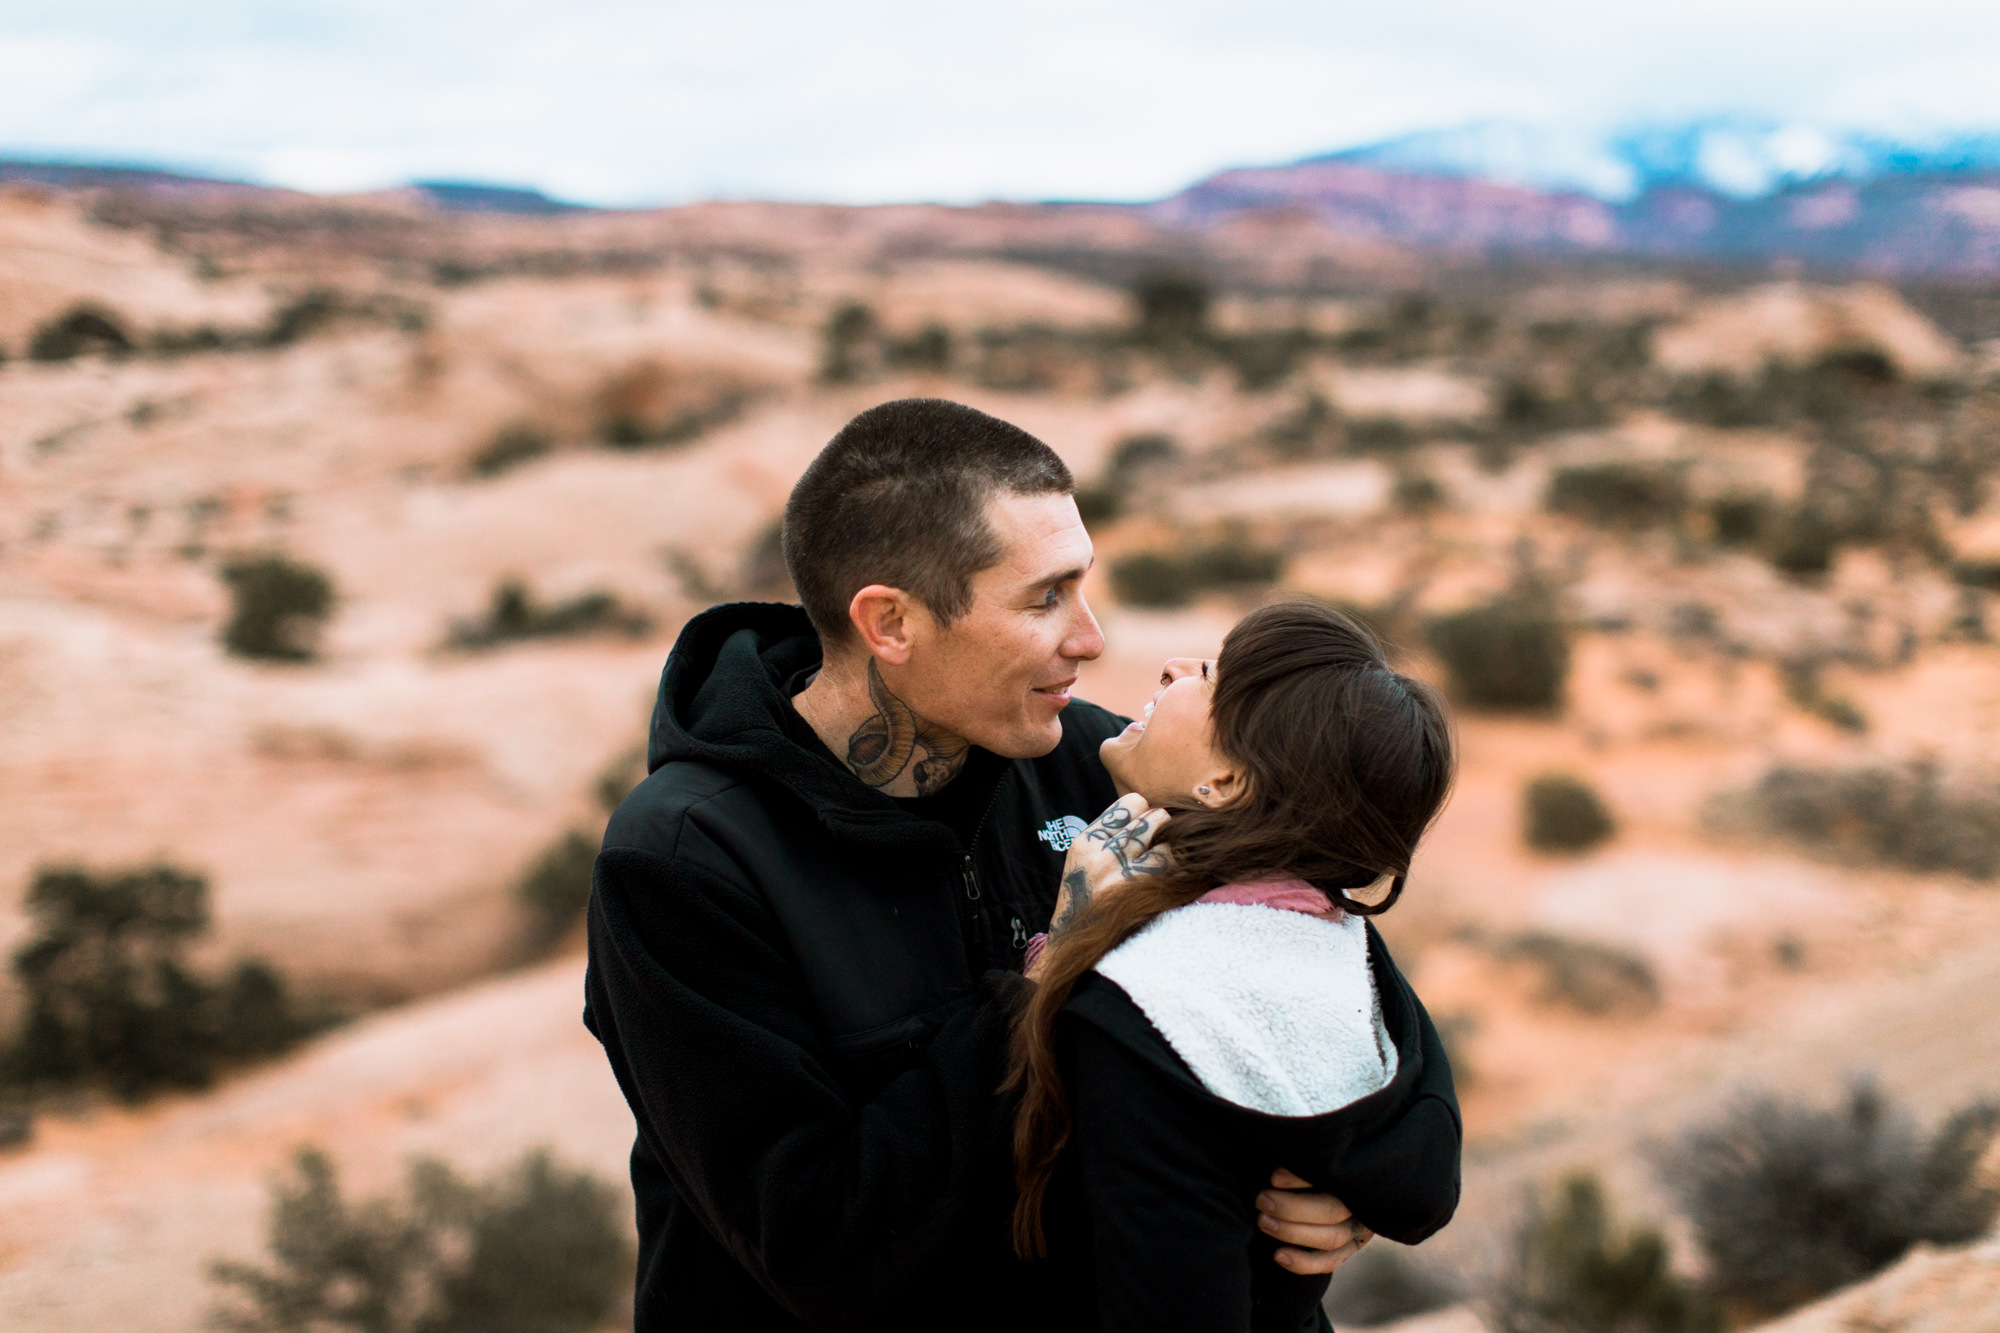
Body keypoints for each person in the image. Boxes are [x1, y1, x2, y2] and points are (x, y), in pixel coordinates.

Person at [583, 399, 1366, 1332]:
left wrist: (1370, 1172)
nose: (1091, 637)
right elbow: (818, 1243)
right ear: (891, 622)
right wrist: (1053, 974)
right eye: (1045, 597)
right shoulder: (684, 862)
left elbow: (1319, 946)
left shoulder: (1090, 757)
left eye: (1082, 586)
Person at [1009, 600, 1464, 1332]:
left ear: (1222, 784)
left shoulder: (1150, 1011)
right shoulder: (1319, 930)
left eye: (1209, 675)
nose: (1172, 668)